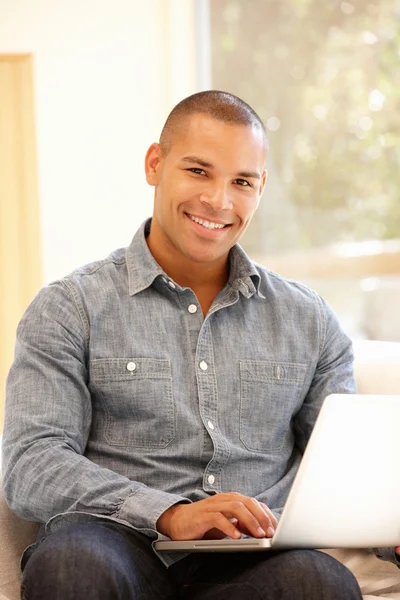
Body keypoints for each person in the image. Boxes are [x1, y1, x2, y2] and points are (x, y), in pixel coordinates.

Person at [3, 89, 395, 600]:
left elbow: (344, 468)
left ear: (261, 187)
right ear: (155, 164)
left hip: (255, 563)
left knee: (319, 583)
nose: (219, 201)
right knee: (73, 568)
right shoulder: (70, 306)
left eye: (242, 182)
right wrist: (167, 514)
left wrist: (390, 529)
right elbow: (32, 462)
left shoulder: (309, 319)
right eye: (198, 171)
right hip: (113, 543)